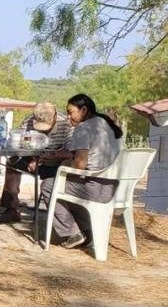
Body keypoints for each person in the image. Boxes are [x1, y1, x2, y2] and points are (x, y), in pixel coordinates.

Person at [48, 94, 123, 249]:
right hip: (115, 186)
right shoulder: (106, 123)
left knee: (49, 185)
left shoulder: (84, 128)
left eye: (70, 112)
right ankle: (86, 230)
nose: (69, 117)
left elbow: (80, 165)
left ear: (84, 110)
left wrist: (64, 163)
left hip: (97, 188)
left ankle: (72, 233)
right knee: (67, 185)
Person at [0, 101, 73, 223]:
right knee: (12, 164)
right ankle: (12, 207)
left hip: (56, 165)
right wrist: (32, 158)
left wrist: (52, 155)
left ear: (55, 116)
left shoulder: (66, 124)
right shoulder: (28, 122)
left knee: (51, 181)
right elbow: (20, 144)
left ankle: (60, 218)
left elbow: (71, 152)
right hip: (34, 159)